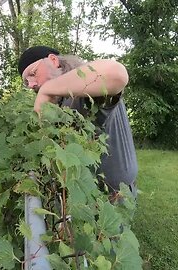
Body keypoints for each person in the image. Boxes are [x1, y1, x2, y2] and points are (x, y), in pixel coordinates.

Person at [18, 46, 138, 199]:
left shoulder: (84, 89)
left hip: (112, 197)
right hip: (84, 198)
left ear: (53, 60)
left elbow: (117, 74)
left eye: (33, 73)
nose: (31, 84)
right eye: (26, 82)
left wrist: (46, 89)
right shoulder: (60, 103)